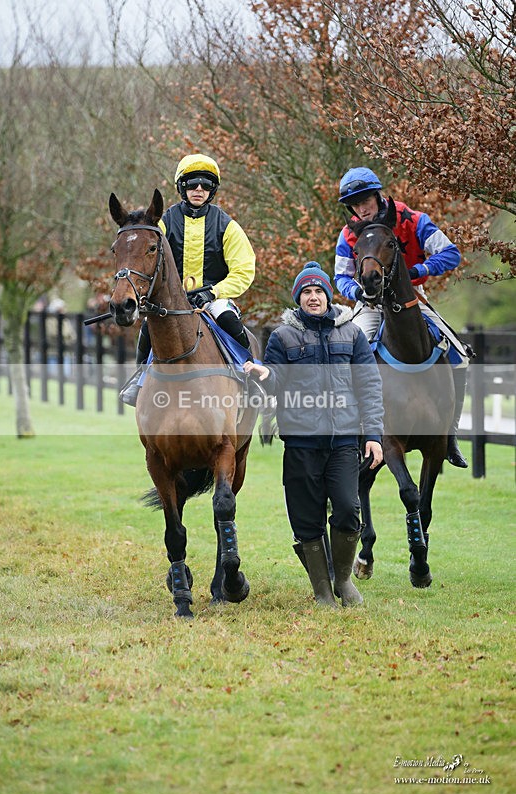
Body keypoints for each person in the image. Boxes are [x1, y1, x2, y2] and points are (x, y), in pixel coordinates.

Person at [244, 263, 384, 608]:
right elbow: (277, 381)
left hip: (343, 441)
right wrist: (263, 374)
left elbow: (369, 385)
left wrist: (374, 435)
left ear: (328, 295)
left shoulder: (350, 334)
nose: (313, 297)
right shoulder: (283, 336)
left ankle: (344, 580)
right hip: (301, 442)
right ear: (298, 299)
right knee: (306, 517)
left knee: (349, 509)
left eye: (318, 291)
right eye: (306, 292)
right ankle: (323, 590)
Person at [334, 166, 471, 468]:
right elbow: (340, 277)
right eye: (355, 205)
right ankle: (350, 434)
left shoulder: (415, 220)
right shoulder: (349, 233)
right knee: (347, 355)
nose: (361, 209)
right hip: (371, 305)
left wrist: (420, 271)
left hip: (413, 300)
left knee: (460, 355)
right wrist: (357, 294)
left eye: (365, 201)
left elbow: (451, 254)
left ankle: (450, 436)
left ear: (377, 196)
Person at [120, 153, 256, 405]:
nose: (198, 189)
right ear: (182, 187)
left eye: (205, 184)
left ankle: (250, 377)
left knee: (230, 321)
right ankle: (139, 379)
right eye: (192, 183)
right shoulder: (163, 223)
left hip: (212, 300)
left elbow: (244, 270)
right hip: (170, 302)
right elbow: (145, 257)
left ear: (212, 190)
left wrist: (212, 292)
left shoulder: (228, 226)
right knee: (148, 328)